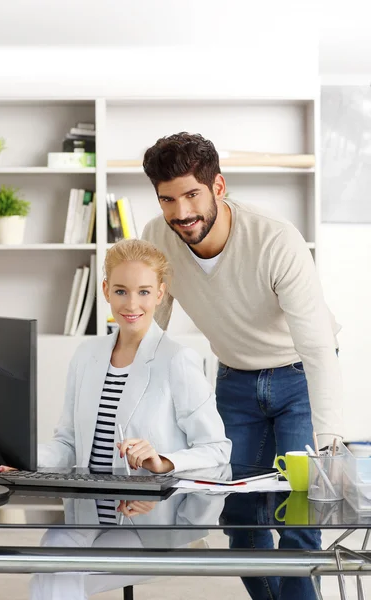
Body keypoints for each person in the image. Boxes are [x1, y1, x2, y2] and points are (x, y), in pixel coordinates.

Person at [141, 132, 343, 600]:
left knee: (299, 518)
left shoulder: (275, 239)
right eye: (167, 199)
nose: (181, 212)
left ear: (218, 187)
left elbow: (315, 346)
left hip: (299, 378)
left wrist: (329, 444)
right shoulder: (157, 237)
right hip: (234, 379)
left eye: (192, 194)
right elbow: (152, 331)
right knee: (240, 521)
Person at [29, 238, 231, 600]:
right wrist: (18, 457)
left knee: (55, 579)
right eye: (121, 291)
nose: (131, 304)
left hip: (149, 523)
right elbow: (68, 444)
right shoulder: (86, 356)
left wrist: (162, 462)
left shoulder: (177, 360)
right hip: (88, 515)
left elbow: (217, 451)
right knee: (51, 558)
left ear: (160, 294)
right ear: (106, 290)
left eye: (143, 291)